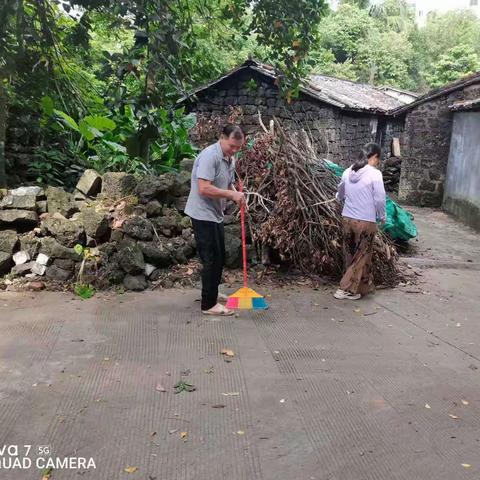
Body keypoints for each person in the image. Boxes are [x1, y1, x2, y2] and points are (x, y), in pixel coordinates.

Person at [185, 124, 246, 316]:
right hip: (202, 214)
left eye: (238, 147)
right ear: (222, 138)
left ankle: (212, 292)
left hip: (215, 214)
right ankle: (208, 305)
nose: (234, 150)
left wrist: (237, 195)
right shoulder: (209, 156)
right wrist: (230, 194)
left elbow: (228, 183)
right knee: (211, 258)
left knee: (219, 257)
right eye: (231, 146)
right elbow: (204, 188)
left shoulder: (229, 158)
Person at [334, 142, 386, 301]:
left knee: (350, 254)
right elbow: (379, 199)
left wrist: (342, 199)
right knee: (362, 255)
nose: (377, 163)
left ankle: (361, 288)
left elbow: (340, 194)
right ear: (375, 157)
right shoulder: (375, 174)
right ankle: (345, 289)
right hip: (365, 221)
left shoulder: (347, 171)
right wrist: (382, 216)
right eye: (378, 159)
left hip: (347, 219)